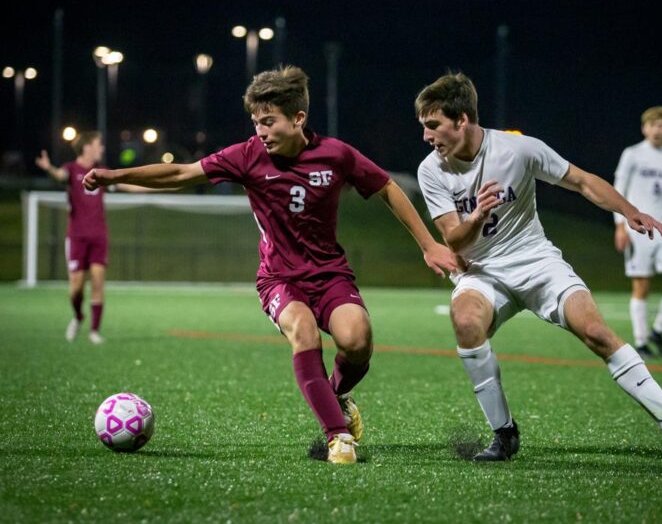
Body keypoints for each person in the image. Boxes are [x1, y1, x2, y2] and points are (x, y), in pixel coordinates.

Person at [83, 66, 457, 464]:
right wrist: (113, 176)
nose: (260, 130)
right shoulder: (246, 156)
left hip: (329, 275)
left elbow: (386, 187)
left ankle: (335, 396)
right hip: (279, 279)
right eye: (255, 122)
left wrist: (428, 244)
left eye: (268, 121)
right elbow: (180, 172)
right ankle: (338, 437)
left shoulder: (336, 155)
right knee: (304, 330)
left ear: (298, 119)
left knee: (358, 341)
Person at [415, 73, 662, 461]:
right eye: (423, 126)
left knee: (596, 330)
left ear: (462, 120)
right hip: (483, 271)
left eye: (433, 125)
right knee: (466, 321)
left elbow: (583, 181)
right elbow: (453, 239)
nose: (426, 136)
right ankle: (504, 434)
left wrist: (629, 211)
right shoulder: (431, 170)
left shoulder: (518, 150)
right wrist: (477, 216)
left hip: (536, 261)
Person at [35, 132, 154, 344]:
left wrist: (156, 185)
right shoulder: (72, 169)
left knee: (98, 283)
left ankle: (94, 331)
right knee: (76, 288)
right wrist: (49, 168)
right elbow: (61, 176)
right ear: (87, 147)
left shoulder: (102, 172)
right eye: (99, 144)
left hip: (99, 235)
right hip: (77, 237)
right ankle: (78, 316)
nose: (102, 148)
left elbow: (126, 185)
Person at [613, 106, 662, 358]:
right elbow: (618, 189)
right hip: (638, 230)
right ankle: (642, 341)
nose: (658, 129)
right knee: (641, 286)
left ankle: (658, 330)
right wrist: (620, 225)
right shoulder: (632, 154)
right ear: (645, 128)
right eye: (653, 125)